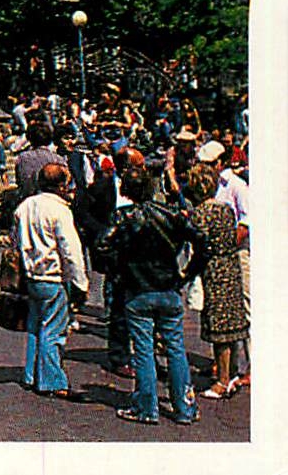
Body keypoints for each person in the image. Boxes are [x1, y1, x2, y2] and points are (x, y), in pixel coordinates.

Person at [100, 164, 207, 425]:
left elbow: (102, 245)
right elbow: (203, 241)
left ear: (126, 190)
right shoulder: (171, 214)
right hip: (168, 286)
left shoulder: (123, 217)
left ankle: (147, 407)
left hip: (138, 290)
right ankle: (184, 406)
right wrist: (187, 273)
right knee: (175, 346)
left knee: (144, 349)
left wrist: (120, 272)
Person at [13, 162, 89, 398]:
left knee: (35, 326)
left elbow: (15, 239)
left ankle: (31, 374)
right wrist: (81, 283)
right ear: (60, 186)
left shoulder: (24, 206)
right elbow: (71, 251)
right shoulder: (60, 211)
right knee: (53, 330)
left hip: (31, 275)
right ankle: (52, 381)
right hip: (53, 276)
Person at [183, 163, 246, 399]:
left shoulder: (201, 214)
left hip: (214, 270)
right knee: (231, 326)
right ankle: (229, 373)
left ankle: (222, 381)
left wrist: (186, 274)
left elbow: (199, 250)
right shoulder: (226, 210)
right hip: (230, 266)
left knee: (219, 328)